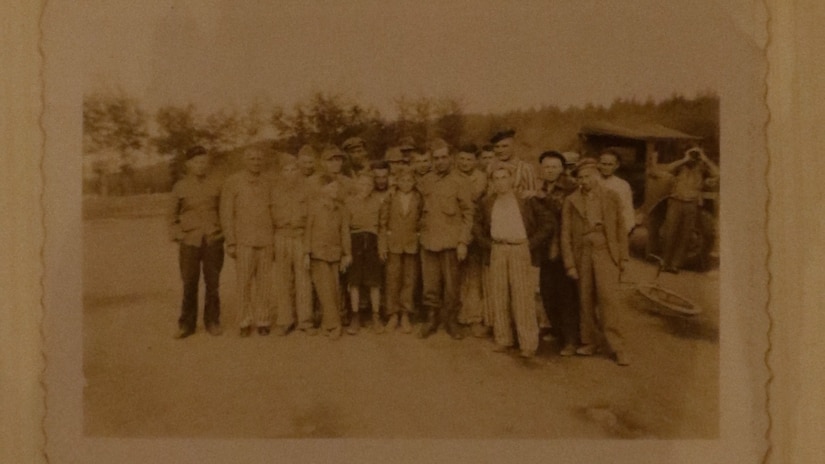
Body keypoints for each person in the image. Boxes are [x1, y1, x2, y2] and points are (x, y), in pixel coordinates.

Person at [474, 163, 553, 358]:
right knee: (499, 295)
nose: (501, 182)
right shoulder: (487, 202)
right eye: (496, 179)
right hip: (498, 249)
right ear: (492, 182)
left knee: (522, 296)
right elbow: (477, 227)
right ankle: (503, 339)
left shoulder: (525, 200)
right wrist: (488, 245)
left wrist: (530, 244)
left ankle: (528, 343)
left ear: (511, 179)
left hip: (520, 249)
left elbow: (548, 222)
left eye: (504, 178)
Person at [560, 158, 630, 365]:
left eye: (588, 176)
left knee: (609, 300)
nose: (584, 181)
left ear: (597, 175)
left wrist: (623, 257)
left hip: (605, 250)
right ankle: (589, 341)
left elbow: (620, 228)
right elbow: (565, 234)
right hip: (582, 252)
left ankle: (618, 347)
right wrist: (570, 264)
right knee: (585, 298)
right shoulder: (571, 200)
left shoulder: (611, 196)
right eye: (580, 177)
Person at [416, 140, 474, 340]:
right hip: (429, 241)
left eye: (443, 157)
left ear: (451, 158)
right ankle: (432, 319)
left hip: (451, 242)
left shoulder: (461, 181)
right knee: (430, 284)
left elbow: (468, 213)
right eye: (436, 158)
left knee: (451, 285)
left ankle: (451, 321)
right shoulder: (426, 180)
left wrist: (463, 242)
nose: (440, 161)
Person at [168, 146, 224, 339]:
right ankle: (186, 325)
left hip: (213, 240)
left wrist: (222, 233)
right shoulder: (180, 187)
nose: (201, 166)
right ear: (189, 164)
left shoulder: (217, 184)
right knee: (189, 282)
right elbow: (171, 216)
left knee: (213, 283)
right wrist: (178, 235)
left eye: (204, 162)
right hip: (190, 242)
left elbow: (224, 211)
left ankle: (213, 321)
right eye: (197, 162)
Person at [220, 148, 275, 337]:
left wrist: (273, 239)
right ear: (245, 161)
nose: (256, 162)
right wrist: (231, 241)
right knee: (244, 282)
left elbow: (274, 210)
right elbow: (226, 214)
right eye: (252, 159)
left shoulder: (269, 182)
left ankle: (263, 320)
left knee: (264, 282)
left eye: (259, 159)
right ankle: (244, 321)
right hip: (243, 240)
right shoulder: (233, 182)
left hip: (266, 240)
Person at [534, 151, 579, 356]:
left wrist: (543, 198)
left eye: (553, 166)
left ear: (562, 168)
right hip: (545, 247)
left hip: (565, 246)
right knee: (546, 291)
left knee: (566, 295)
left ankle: (571, 340)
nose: (549, 170)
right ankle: (558, 332)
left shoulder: (571, 187)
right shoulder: (541, 187)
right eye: (546, 167)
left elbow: (564, 211)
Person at [270, 156, 315, 336]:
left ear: (298, 171)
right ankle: (285, 320)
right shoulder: (274, 190)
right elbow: (268, 217)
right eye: (286, 170)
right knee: (283, 279)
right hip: (280, 235)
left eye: (293, 170)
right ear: (281, 173)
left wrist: (308, 244)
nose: (290, 174)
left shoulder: (307, 189)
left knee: (303, 278)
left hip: (300, 236)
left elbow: (312, 218)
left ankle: (305, 320)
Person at [304, 175, 352, 339]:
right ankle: (335, 325)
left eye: (336, 188)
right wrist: (306, 253)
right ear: (322, 189)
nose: (335, 191)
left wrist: (347, 253)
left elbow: (344, 232)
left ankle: (327, 323)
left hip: (335, 254)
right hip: (318, 253)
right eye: (331, 187)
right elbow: (308, 231)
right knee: (324, 290)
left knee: (335, 289)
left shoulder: (341, 209)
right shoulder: (314, 207)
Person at [657, 146, 720, 273]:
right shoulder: (680, 166)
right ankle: (665, 262)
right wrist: (685, 158)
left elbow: (717, 173)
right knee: (670, 233)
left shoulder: (702, 168)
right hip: (676, 201)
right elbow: (668, 169)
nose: (694, 156)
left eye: (695, 154)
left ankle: (675, 265)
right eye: (692, 153)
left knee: (685, 235)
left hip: (691, 203)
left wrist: (704, 158)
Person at [345, 161, 390, 334]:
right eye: (361, 184)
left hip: (372, 242)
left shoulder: (378, 202)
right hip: (354, 242)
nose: (365, 187)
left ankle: (376, 316)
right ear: (356, 185)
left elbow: (382, 226)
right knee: (354, 282)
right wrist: (347, 252)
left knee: (374, 282)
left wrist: (382, 247)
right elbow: (345, 228)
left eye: (368, 184)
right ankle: (355, 317)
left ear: (372, 187)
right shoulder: (349, 202)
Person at [378, 165, 422, 333]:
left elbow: (421, 219)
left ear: (414, 181)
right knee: (392, 280)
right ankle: (392, 314)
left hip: (411, 244)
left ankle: (405, 314)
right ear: (396, 181)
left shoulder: (418, 197)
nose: (406, 183)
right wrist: (383, 245)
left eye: (409, 180)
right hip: (393, 245)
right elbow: (382, 223)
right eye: (402, 180)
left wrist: (418, 236)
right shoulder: (390, 197)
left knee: (409, 280)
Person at [454, 148, 490, 337]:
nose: (465, 162)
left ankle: (475, 316)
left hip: (477, 230)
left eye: (469, 159)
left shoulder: (482, 178)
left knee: (475, 275)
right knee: (457, 275)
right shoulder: (452, 177)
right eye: (462, 158)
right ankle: (458, 315)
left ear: (475, 161)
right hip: (455, 230)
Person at [597, 148, 636, 235]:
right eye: (604, 164)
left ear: (616, 165)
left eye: (610, 164)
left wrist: (624, 232)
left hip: (615, 229)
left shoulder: (623, 185)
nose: (606, 167)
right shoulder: (592, 181)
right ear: (598, 164)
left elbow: (627, 211)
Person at [489, 129, 537, 196]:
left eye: (505, 146)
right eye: (497, 147)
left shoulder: (525, 168)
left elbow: (532, 195)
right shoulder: (491, 167)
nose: (500, 150)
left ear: (513, 146)